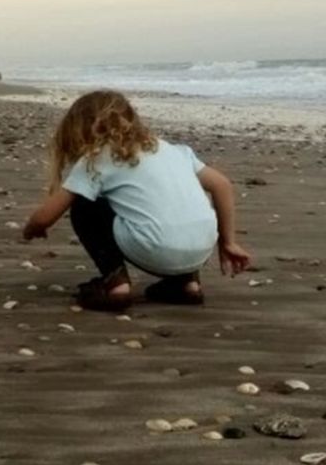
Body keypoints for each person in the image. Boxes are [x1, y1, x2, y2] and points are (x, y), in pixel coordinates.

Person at [22, 90, 251, 310]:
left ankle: (116, 284)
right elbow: (222, 185)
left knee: (85, 205)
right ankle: (187, 283)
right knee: (174, 202)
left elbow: (45, 217)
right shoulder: (174, 150)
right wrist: (228, 242)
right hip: (200, 248)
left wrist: (32, 229)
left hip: (153, 246)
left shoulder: (97, 159)